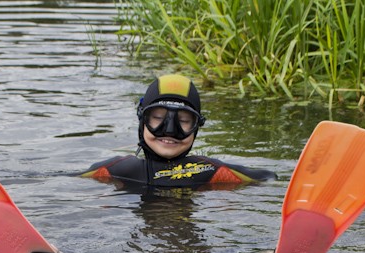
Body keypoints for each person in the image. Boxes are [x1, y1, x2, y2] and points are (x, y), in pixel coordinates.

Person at [81, 73, 276, 188]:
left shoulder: (209, 171)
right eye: (158, 118)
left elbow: (271, 178)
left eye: (183, 120)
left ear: (197, 126)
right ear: (142, 120)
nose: (170, 130)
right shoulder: (118, 170)